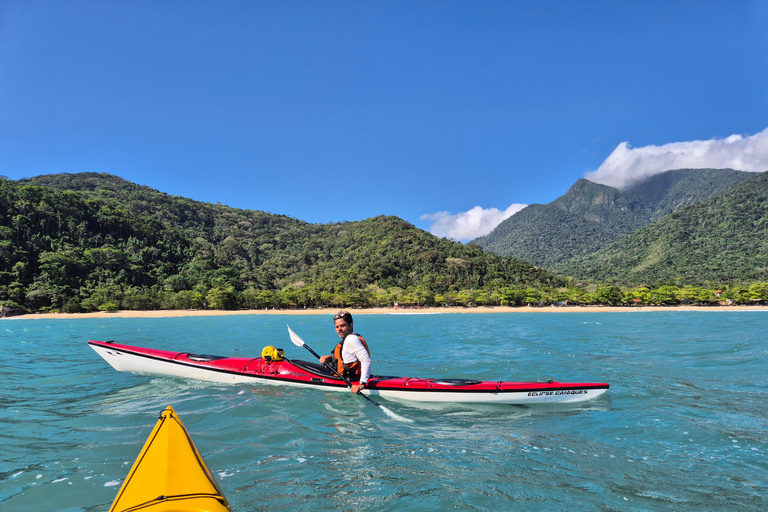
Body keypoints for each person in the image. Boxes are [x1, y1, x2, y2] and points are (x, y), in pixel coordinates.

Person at [319, 310, 371, 394]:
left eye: (343, 326)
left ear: (351, 325)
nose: (339, 329)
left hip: (351, 381)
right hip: (344, 377)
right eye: (337, 327)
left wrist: (362, 384)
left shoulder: (351, 339)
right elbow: (348, 359)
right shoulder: (349, 339)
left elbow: (366, 360)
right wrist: (328, 358)